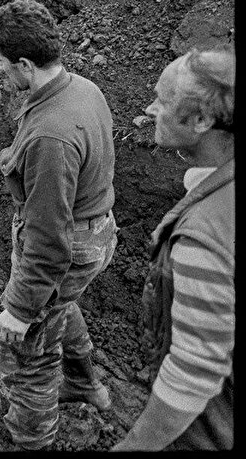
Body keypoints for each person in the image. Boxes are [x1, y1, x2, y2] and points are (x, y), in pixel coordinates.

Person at [0, 0, 118, 450]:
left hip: (69, 244)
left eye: (0, 64)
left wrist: (19, 310)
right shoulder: (81, 88)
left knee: (27, 353)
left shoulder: (51, 136)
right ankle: (84, 385)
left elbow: (48, 242)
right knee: (58, 305)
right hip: (96, 233)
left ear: (24, 63)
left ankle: (30, 441)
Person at [113, 48, 234, 451]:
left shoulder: (203, 236)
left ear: (201, 120)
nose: (150, 109)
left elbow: (192, 375)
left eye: (163, 100)